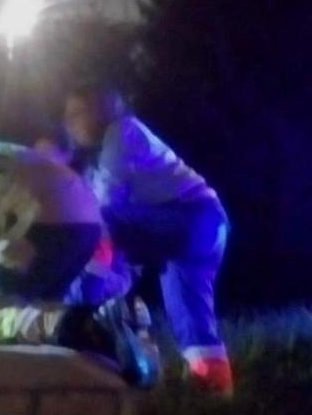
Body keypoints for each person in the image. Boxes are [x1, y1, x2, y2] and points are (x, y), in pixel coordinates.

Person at [0, 142, 159, 387]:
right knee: (30, 314)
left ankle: (97, 323)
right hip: (85, 218)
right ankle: (122, 326)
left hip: (40, 216)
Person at [65, 83, 233, 394]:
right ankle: (215, 401)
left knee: (99, 224)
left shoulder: (122, 132)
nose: (70, 122)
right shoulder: (108, 147)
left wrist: (91, 282)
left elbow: (105, 208)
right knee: (193, 323)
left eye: (77, 113)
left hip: (191, 220)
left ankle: (91, 306)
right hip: (202, 228)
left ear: (100, 109)